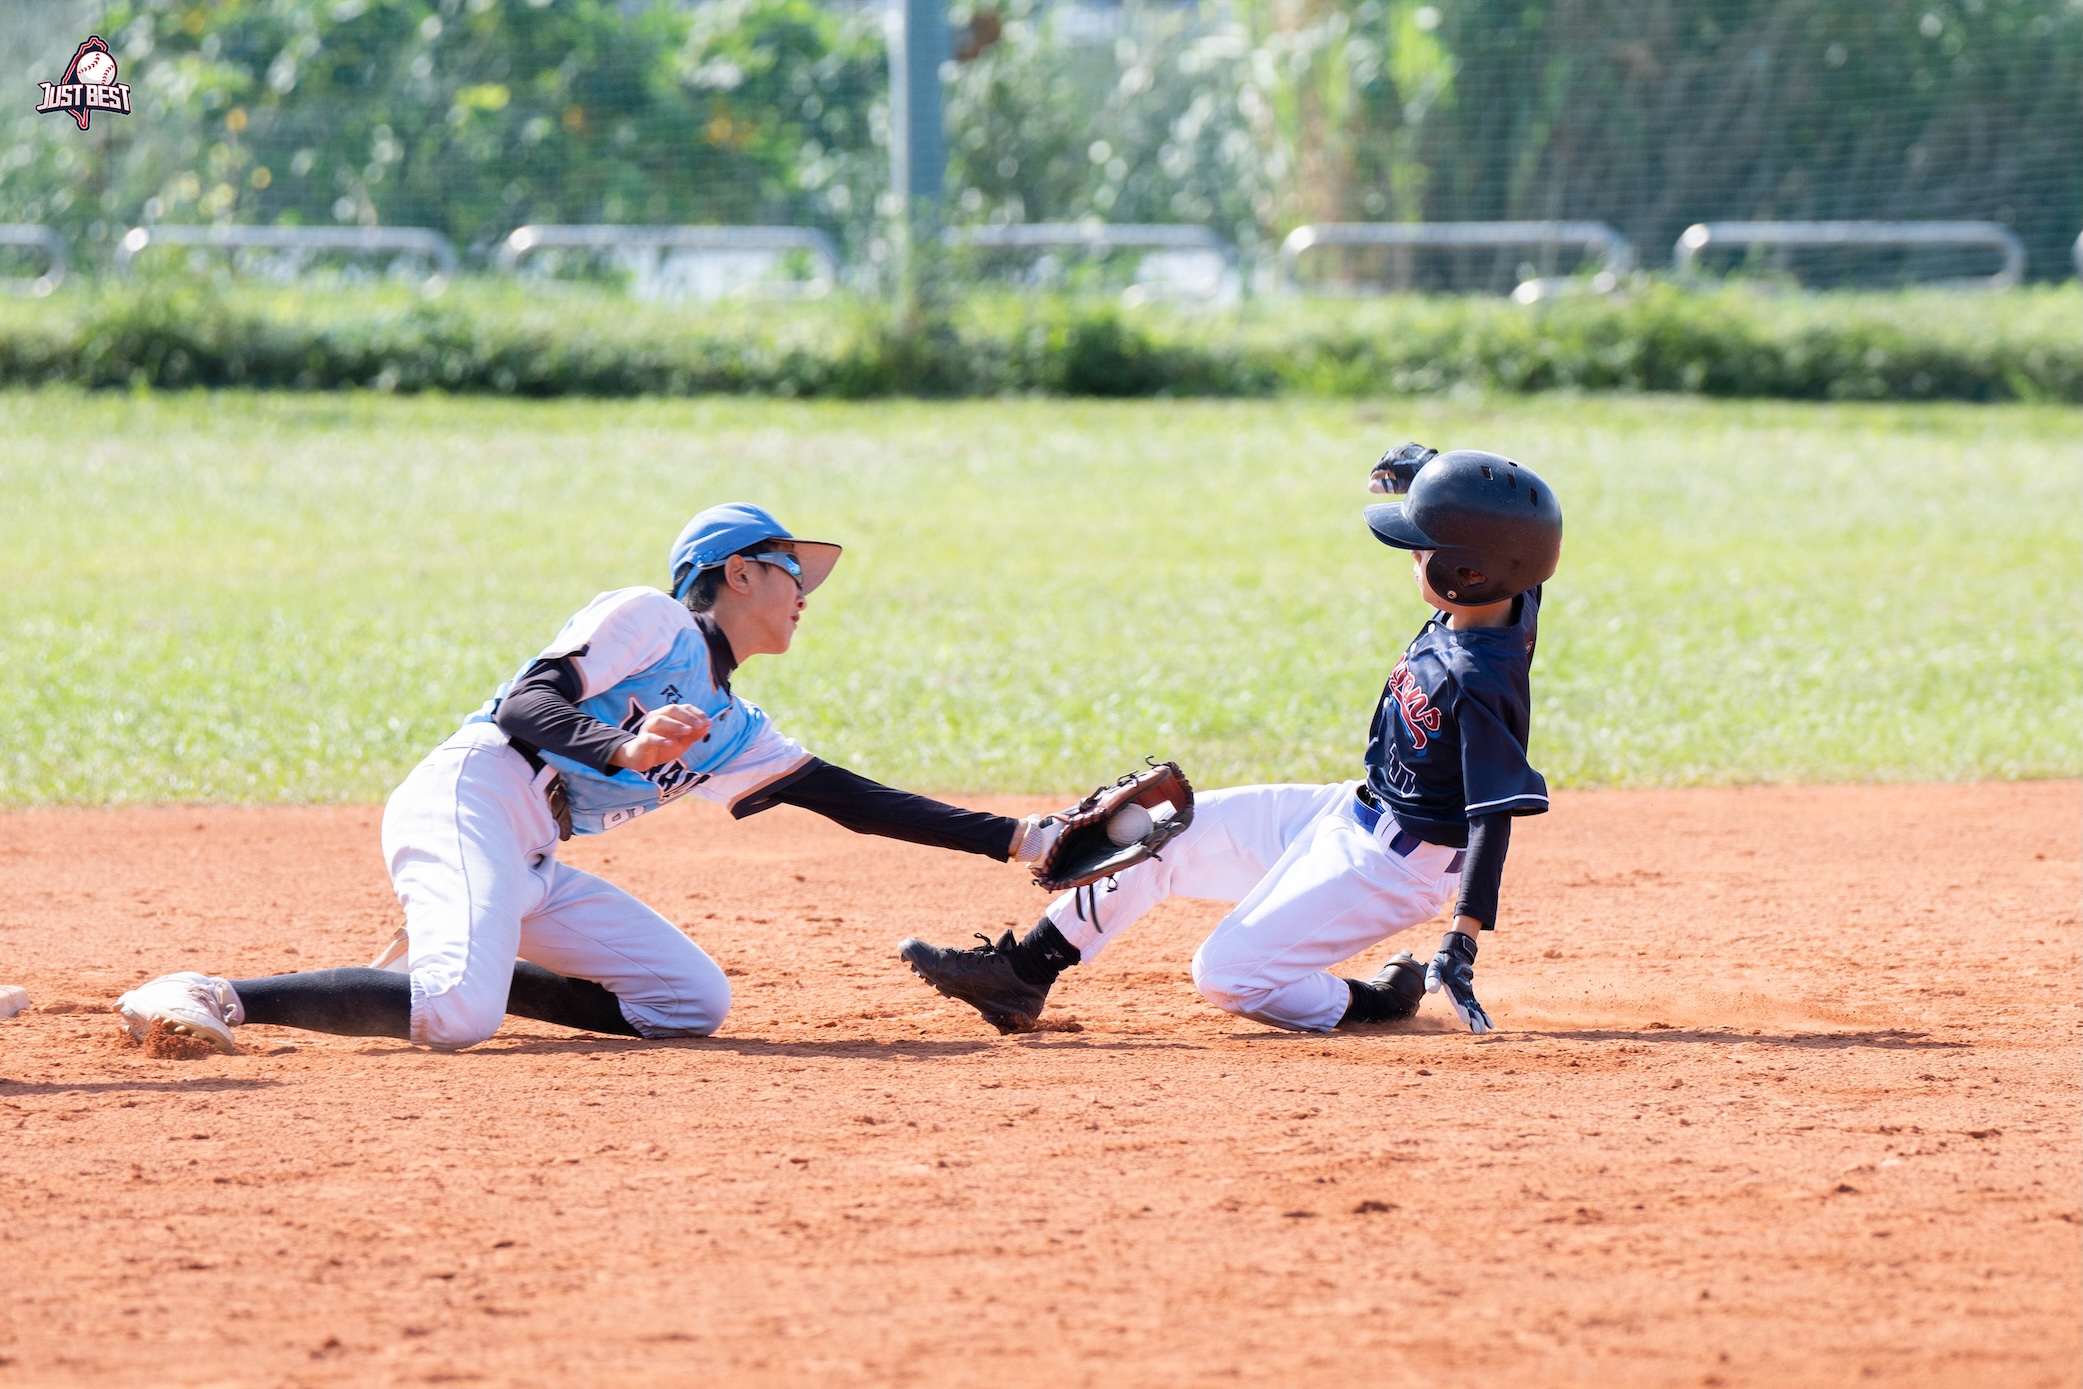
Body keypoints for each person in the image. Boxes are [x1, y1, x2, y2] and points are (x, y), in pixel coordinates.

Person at [118, 503, 1071, 1052]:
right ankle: (213, 991)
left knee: (688, 1005)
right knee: (457, 1018)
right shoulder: (648, 618)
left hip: (531, 851)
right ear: (735, 573)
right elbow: (527, 704)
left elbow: (851, 800)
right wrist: (623, 748)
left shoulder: (734, 725)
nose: (804, 596)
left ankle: (441, 962)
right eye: (792, 573)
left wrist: (1023, 838)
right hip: (473, 795)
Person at [898, 446, 1561, 1036]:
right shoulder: (1500, 596)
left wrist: (1463, 936)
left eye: (1421, 546)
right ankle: (1020, 973)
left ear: (1465, 572)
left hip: (1395, 867)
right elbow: (1509, 538)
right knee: (1160, 828)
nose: (1410, 553)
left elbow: (1490, 816)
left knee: (1225, 974)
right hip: (1342, 809)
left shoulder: (1479, 677)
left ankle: (1373, 1002)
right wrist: (1429, 481)